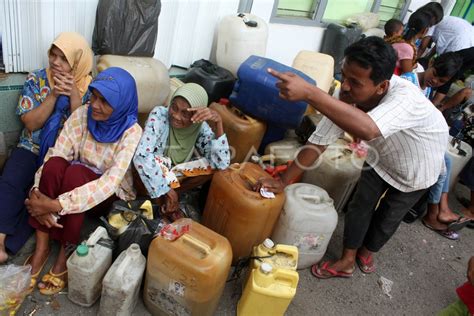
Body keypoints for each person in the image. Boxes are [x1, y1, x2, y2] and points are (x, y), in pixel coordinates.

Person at [256, 36, 448, 278]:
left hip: (417, 166)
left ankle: (368, 251)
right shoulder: (347, 91)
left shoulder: (405, 97)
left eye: (355, 82)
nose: (345, 86)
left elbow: (368, 128)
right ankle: (347, 260)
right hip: (382, 157)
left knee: (388, 216)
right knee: (360, 206)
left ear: (381, 87)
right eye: (344, 76)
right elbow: (319, 141)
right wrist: (283, 182)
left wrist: (310, 94)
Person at [24, 67, 142, 295]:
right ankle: (42, 248)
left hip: (108, 196)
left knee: (76, 175)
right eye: (94, 96)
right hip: (75, 182)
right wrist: (37, 194)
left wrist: (55, 205)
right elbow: (57, 153)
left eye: (105, 101)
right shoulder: (83, 114)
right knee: (56, 164)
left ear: (122, 104)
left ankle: (64, 255)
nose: (95, 105)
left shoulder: (131, 132)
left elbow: (109, 183)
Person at [0, 32, 93, 264]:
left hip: (64, 155)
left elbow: (81, 132)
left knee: (40, 195)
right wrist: (53, 94)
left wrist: (73, 94)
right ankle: (0, 240)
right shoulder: (38, 79)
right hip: (31, 146)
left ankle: (12, 244)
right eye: (53, 54)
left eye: (63, 58)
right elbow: (30, 124)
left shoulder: (91, 89)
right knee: (12, 180)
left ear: (77, 63)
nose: (55, 62)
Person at [400, 52, 470, 239]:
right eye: (435, 73)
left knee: (443, 159)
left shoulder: (426, 89)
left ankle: (437, 211)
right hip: (400, 137)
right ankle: (437, 212)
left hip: (413, 136)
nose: (435, 80)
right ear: (431, 63)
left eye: (442, 80)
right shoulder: (408, 81)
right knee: (442, 160)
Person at [133, 83, 230, 217]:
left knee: (212, 167)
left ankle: (172, 197)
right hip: (155, 169)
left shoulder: (199, 127)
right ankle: (164, 199)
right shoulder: (159, 115)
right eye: (174, 107)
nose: (177, 116)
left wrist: (218, 123)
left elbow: (221, 163)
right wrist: (165, 189)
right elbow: (142, 156)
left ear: (196, 115)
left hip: (175, 173)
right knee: (140, 161)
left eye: (185, 113)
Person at [385, 10, 432, 75]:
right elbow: (407, 74)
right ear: (425, 31)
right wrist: (413, 67)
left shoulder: (397, 39)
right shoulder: (407, 48)